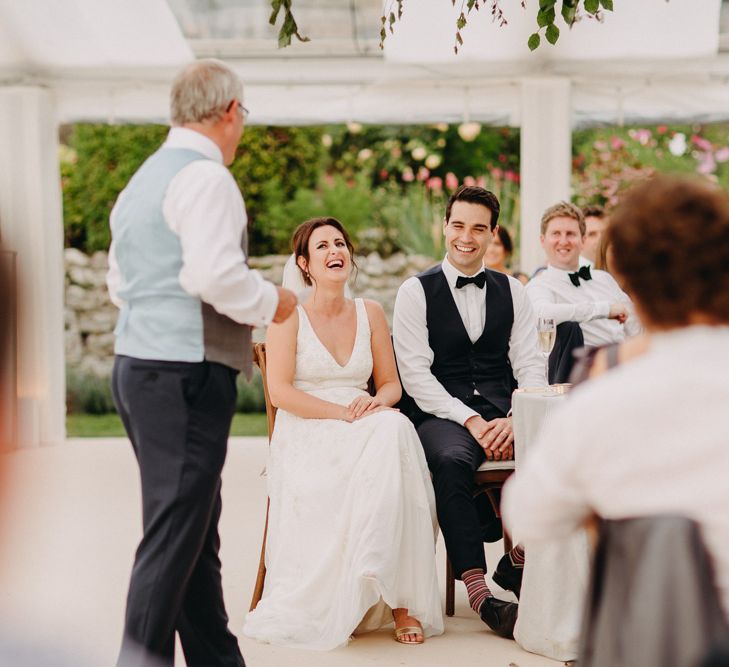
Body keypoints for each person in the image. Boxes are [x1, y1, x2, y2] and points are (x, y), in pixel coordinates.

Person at [107, 59, 297, 667]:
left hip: (139, 366)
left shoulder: (144, 180)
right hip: (185, 370)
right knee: (174, 534)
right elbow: (213, 275)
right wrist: (276, 302)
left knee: (190, 528)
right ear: (231, 112)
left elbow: (120, 283)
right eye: (245, 117)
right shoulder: (207, 178)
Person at [503, 175, 729, 623]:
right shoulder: (551, 293)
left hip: (656, 628)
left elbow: (528, 515)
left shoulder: (604, 399)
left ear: (633, 280)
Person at [244, 217, 443, 650]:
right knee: (390, 438)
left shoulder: (369, 311)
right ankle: (377, 589)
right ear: (305, 264)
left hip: (364, 417)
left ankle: (399, 596)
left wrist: (377, 403)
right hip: (310, 425)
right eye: (323, 247)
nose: (335, 251)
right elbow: (280, 393)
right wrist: (340, 414)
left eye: (340, 244)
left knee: (396, 429)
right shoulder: (287, 315)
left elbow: (391, 383)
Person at [392, 185, 545, 639]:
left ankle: (516, 560)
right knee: (451, 461)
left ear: (492, 233)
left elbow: (531, 363)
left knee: (558, 449)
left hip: (504, 410)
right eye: (458, 225)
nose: (466, 236)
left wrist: (519, 417)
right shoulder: (414, 292)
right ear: (445, 227)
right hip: (441, 415)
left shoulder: (513, 291)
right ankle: (481, 594)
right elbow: (416, 376)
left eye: (479, 228)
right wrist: (470, 419)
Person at [526, 201, 641, 349]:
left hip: (626, 360)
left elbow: (635, 325)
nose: (563, 241)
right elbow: (542, 315)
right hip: (584, 366)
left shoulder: (603, 278)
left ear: (583, 240)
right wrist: (604, 310)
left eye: (570, 234)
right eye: (556, 234)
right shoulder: (539, 285)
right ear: (543, 241)